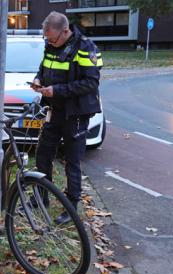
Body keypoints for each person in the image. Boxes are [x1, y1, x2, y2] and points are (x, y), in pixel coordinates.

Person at [31, 11, 103, 224]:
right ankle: (41, 196)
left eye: (52, 39)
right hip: (54, 110)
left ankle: (71, 207)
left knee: (71, 160)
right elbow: (45, 66)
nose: (50, 43)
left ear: (65, 31)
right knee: (43, 153)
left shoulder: (86, 47)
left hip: (76, 113)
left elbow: (91, 83)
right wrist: (38, 79)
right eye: (47, 39)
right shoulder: (51, 43)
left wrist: (57, 91)